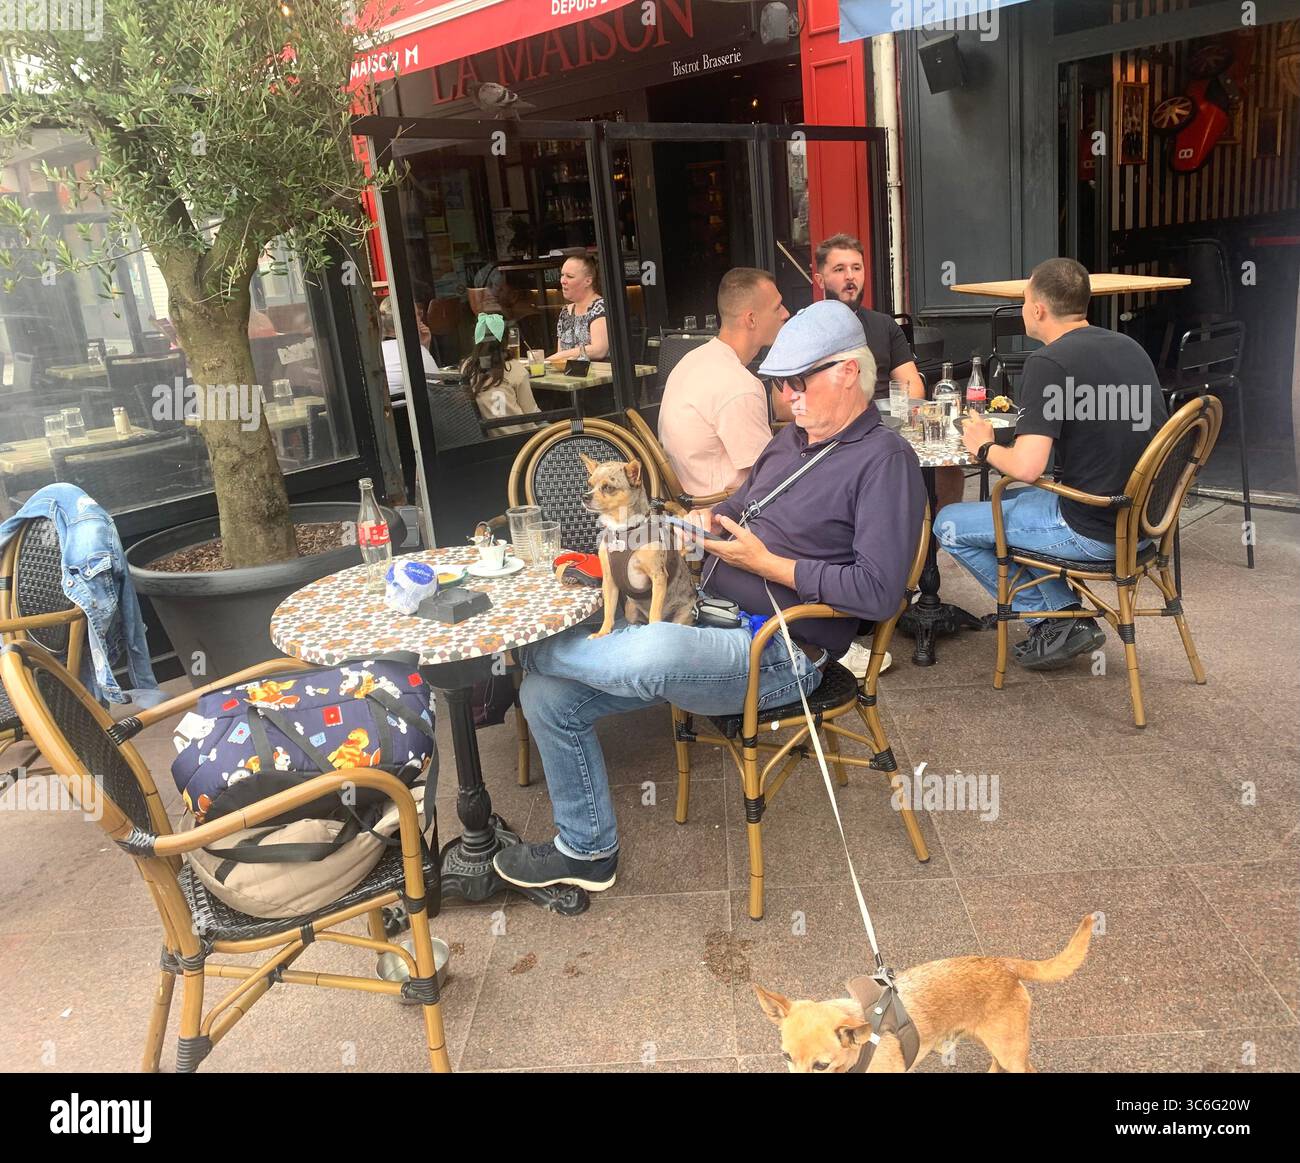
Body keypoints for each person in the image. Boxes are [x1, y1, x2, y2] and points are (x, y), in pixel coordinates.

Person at [492, 300, 926, 893]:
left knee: (649, 651)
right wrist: (694, 525)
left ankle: (515, 654)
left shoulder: (885, 461)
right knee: (547, 697)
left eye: (800, 382)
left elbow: (878, 593)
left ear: (848, 372)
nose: (787, 397)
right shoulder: (791, 442)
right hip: (707, 616)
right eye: (781, 385)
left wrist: (767, 563)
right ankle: (586, 850)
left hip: (781, 651)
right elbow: (734, 512)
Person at [939, 257, 1169, 670]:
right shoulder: (1129, 347)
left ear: (1038, 308)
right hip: (1142, 523)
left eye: (1026, 299)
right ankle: (1066, 614)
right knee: (1022, 503)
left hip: (1090, 527)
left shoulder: (1048, 362)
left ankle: (1054, 619)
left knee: (950, 523)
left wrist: (984, 447)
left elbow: (1028, 466)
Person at [657, 267, 789, 500]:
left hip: (693, 503)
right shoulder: (739, 385)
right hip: (731, 516)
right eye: (777, 307)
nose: (786, 314)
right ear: (751, 319)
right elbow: (768, 477)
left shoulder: (693, 359)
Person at [459, 312, 541, 436]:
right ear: (506, 340)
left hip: (487, 442)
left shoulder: (467, 367)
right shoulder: (516, 370)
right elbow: (533, 414)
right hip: (521, 440)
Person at [548, 253, 609, 364]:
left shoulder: (600, 307)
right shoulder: (565, 312)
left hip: (599, 378)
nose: (563, 280)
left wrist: (558, 356)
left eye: (570, 276)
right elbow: (560, 360)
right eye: (562, 275)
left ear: (588, 281)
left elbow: (599, 350)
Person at [378, 296, 436, 399]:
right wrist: (422, 348)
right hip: (411, 413)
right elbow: (440, 392)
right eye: (418, 314)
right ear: (407, 321)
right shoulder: (415, 352)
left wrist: (424, 346)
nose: (421, 318)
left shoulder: (376, 351)